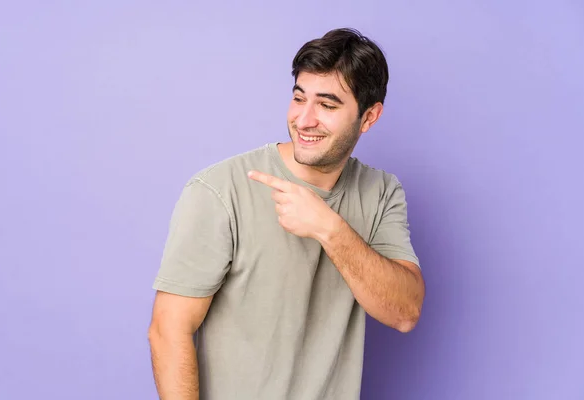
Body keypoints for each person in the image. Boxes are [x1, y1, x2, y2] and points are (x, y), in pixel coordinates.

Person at [148, 27, 425, 400]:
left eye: (327, 105)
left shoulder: (381, 192)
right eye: (299, 98)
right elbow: (169, 330)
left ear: (369, 117)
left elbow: (404, 312)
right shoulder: (219, 190)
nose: (305, 119)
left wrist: (330, 229)